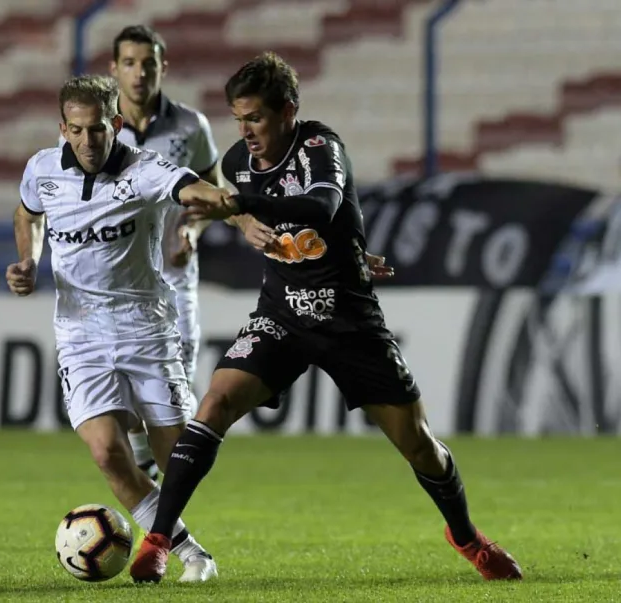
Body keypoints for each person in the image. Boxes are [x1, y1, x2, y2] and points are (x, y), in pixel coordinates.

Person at [129, 52, 523, 583]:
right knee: (215, 402)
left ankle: (466, 536)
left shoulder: (318, 146)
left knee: (417, 443)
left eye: (257, 118)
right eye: (238, 118)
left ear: (288, 110)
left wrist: (242, 206)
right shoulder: (239, 160)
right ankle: (157, 541)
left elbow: (321, 207)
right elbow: (233, 196)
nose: (245, 131)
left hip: (349, 320)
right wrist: (243, 220)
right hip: (281, 317)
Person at [5, 74, 223, 582]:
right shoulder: (42, 169)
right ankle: (190, 554)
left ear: (115, 125)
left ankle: (163, 524)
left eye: (98, 130)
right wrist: (27, 261)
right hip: (80, 334)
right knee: (106, 451)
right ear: (63, 128)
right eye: (76, 131)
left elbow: (190, 186)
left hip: (145, 327)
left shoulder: (143, 170)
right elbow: (26, 213)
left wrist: (230, 208)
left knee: (178, 460)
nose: (87, 142)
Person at [108, 24, 221, 482]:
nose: (139, 74)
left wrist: (193, 228)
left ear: (162, 68)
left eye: (148, 64)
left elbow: (214, 192)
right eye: (130, 63)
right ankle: (147, 470)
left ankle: (151, 477)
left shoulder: (191, 126)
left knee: (175, 391)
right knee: (131, 394)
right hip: (123, 281)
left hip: (175, 278)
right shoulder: (96, 131)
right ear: (114, 69)